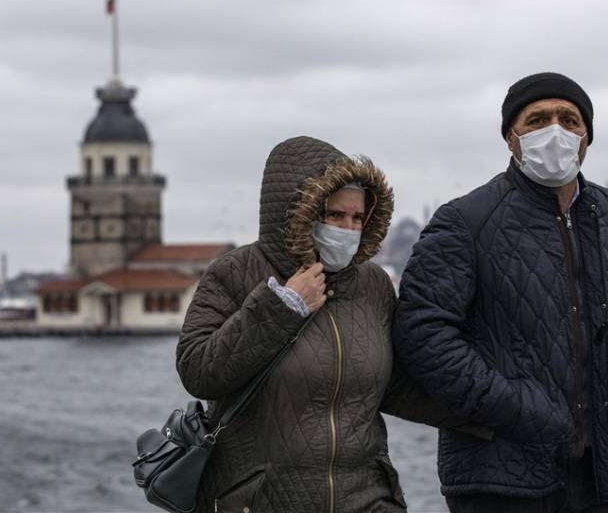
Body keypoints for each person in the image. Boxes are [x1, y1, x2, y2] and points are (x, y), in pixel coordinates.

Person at [393, 72, 608, 513]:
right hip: (501, 471)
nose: (555, 131)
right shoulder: (465, 221)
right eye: (537, 119)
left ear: (586, 137)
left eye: (569, 119)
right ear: (511, 137)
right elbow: (422, 333)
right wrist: (514, 407)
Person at [176, 135, 485, 513]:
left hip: (368, 498)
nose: (348, 229)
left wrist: (491, 413)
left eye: (357, 218)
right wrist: (283, 306)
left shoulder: (372, 284)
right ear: (297, 212)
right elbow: (197, 370)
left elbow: (395, 385)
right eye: (334, 216)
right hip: (260, 501)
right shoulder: (236, 273)